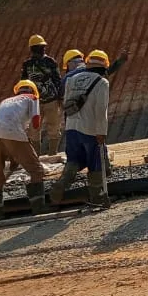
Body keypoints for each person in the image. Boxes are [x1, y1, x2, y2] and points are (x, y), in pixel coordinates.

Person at [51, 49, 112, 208]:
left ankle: (62, 183)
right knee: (94, 162)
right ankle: (97, 197)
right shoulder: (102, 82)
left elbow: (66, 104)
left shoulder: (72, 79)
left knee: (74, 160)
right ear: (104, 66)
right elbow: (101, 110)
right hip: (90, 129)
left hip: (71, 128)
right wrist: (101, 132)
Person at [0, 80, 46, 219]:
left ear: (18, 90)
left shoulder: (5, 100)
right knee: (36, 170)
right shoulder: (32, 98)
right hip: (13, 133)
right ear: (33, 91)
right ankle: (38, 208)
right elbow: (36, 122)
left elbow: (4, 121)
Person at [20, 35, 62, 155]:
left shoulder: (49, 62)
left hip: (48, 100)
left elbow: (57, 80)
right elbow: (23, 83)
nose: (42, 49)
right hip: (37, 101)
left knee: (52, 127)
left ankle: (52, 153)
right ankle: (36, 155)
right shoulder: (27, 64)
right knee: (35, 129)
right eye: (41, 47)